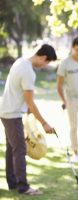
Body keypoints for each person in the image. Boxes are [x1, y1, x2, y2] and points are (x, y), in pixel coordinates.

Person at [0, 44, 57, 195]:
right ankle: (23, 187)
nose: (45, 66)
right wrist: (44, 123)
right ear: (44, 57)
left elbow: (23, 97)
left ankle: (12, 183)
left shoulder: (20, 61)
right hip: (13, 114)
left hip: (6, 111)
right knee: (19, 149)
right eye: (47, 63)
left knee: (12, 149)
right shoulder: (28, 71)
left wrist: (30, 114)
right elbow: (30, 101)